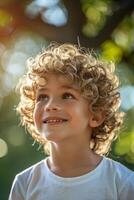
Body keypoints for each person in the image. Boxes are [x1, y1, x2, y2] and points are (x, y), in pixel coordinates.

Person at [9, 42, 134, 200]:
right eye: (42, 97)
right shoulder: (24, 184)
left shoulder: (123, 183)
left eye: (67, 95)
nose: (50, 105)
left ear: (95, 115)